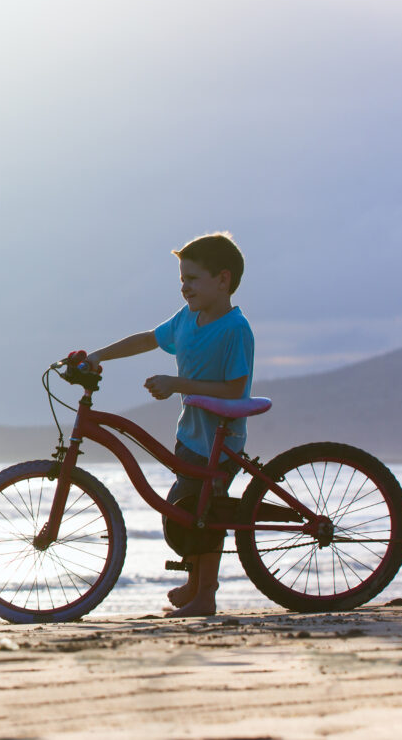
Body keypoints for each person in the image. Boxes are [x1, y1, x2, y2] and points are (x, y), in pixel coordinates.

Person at [66, 232, 255, 618]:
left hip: (222, 437)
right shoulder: (187, 319)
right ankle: (194, 584)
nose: (185, 287)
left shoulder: (236, 329)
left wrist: (176, 384)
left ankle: (205, 595)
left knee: (206, 518)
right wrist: (100, 354)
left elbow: (235, 389)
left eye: (193, 278)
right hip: (192, 435)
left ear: (223, 279)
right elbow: (149, 339)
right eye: (182, 279)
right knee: (186, 510)